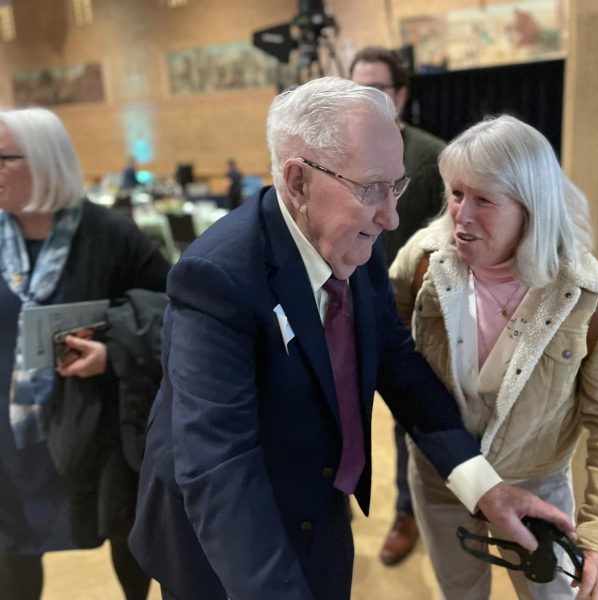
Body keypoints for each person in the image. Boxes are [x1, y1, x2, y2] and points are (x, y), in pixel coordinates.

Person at [129, 77, 575, 600]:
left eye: (396, 186)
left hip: (319, 509)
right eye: (372, 188)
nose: (390, 217)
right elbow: (220, 466)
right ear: (297, 183)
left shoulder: (353, 241)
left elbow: (396, 362)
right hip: (222, 548)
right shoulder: (216, 277)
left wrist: (484, 487)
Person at [389, 115, 598, 600]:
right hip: (442, 479)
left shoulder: (593, 299)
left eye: (484, 200)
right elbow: (391, 360)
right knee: (460, 593)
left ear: (532, 208)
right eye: (457, 193)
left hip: (537, 486)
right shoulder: (421, 263)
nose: (461, 216)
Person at [0, 108, 170, 599]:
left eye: (3, 158)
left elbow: (172, 309)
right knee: (13, 548)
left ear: (44, 161)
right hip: (12, 434)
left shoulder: (108, 233)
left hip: (97, 427)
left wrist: (110, 347)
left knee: (125, 536)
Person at [349, 45, 447, 566]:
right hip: (342, 311)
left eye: (379, 88)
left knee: (405, 420)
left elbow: (452, 240)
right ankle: (334, 498)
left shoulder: (432, 158)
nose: (368, 99)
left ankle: (406, 512)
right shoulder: (339, 152)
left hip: (407, 318)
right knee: (337, 407)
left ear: (401, 93)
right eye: (357, 87)